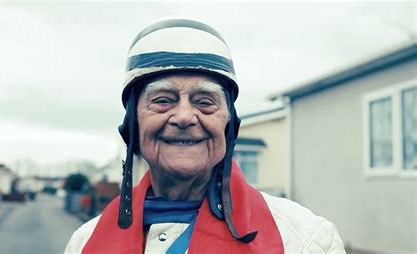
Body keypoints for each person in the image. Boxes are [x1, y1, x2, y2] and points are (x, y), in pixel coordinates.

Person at [65, 18, 345, 254]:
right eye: (163, 99)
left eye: (205, 101)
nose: (185, 117)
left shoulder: (308, 240)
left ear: (228, 124)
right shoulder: (83, 243)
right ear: (132, 124)